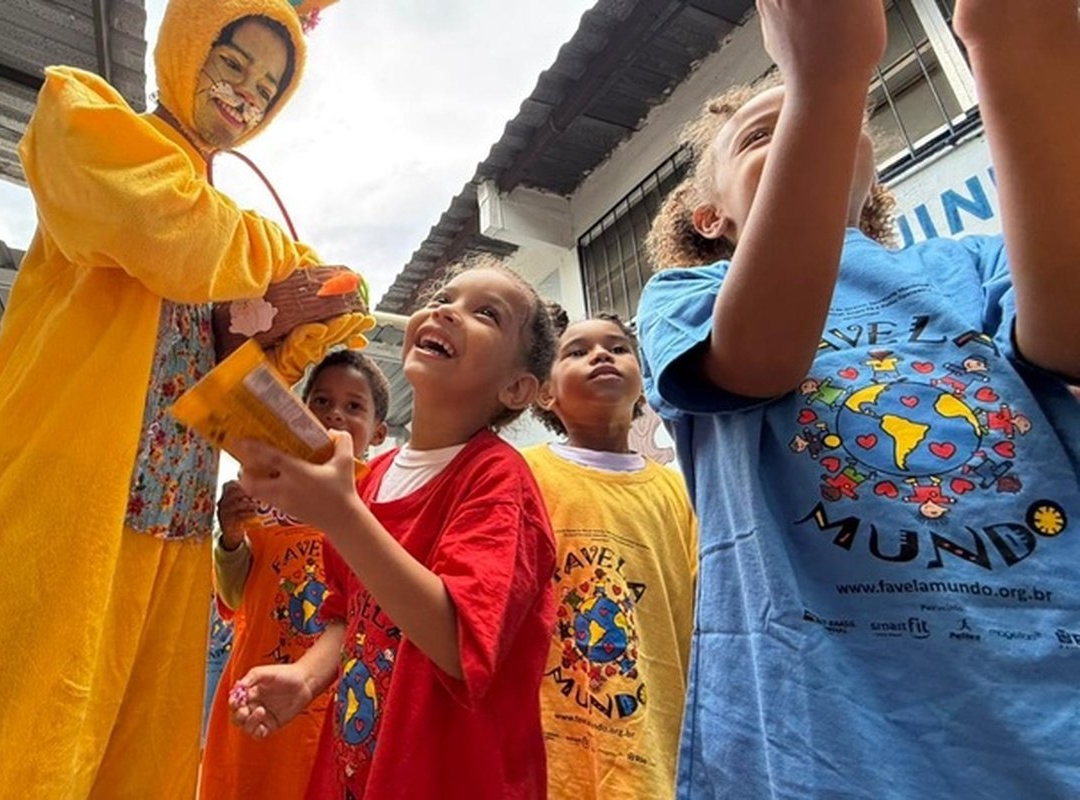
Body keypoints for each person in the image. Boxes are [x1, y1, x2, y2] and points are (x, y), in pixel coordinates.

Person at [0, 1, 363, 797]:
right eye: (231, 65)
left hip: (171, 522)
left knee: (135, 755)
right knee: (0, 730)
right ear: (184, 46)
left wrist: (297, 324)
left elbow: (226, 383)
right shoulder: (87, 117)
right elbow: (171, 231)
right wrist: (283, 265)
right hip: (61, 497)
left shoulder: (223, 229)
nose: (244, 97)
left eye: (265, 91)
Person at [635, 1, 1080, 796]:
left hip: (1048, 708)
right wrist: (825, 78)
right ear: (710, 218)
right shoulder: (691, 292)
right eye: (764, 135)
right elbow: (760, 360)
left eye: (846, 128)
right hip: (824, 740)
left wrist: (1011, 42)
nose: (816, 131)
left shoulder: (973, 264)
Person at [231, 262, 560, 798]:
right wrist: (308, 677)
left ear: (518, 387)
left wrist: (340, 515)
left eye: (485, 314)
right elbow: (345, 613)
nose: (447, 310)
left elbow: (460, 641)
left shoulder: (499, 481)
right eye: (443, 296)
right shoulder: (371, 480)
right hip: (354, 770)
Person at [201, 349, 390, 800]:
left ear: (379, 433)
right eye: (321, 401)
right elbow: (233, 594)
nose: (335, 415)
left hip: (341, 701)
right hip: (257, 689)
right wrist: (230, 536)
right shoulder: (263, 486)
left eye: (354, 406)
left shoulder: (380, 496)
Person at [524, 313, 697, 800]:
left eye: (618, 348)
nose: (601, 355)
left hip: (659, 746)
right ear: (545, 392)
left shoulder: (679, 492)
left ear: (642, 383)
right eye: (576, 352)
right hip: (548, 751)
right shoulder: (522, 475)